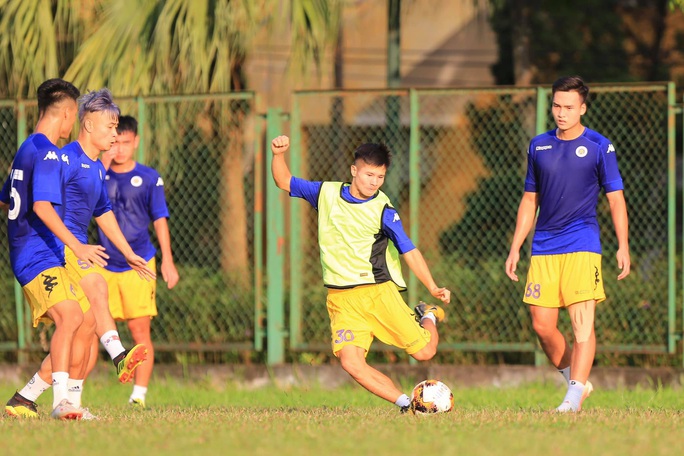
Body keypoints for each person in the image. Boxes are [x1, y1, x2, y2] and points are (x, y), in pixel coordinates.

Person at [270, 135, 451, 412]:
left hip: (377, 293)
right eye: (369, 174)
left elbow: (409, 250)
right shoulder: (326, 193)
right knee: (351, 363)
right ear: (354, 170)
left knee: (425, 352)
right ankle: (406, 404)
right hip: (341, 299)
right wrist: (278, 155)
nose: (374, 182)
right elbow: (284, 181)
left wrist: (432, 285)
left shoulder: (383, 211)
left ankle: (427, 313)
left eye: (380, 176)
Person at [5, 89, 156, 419]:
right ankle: (116, 356)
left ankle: (29, 398)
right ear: (85, 123)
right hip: (60, 249)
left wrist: (129, 253)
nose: (115, 134)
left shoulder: (97, 167)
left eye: (118, 128)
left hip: (65, 249)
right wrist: (71, 245)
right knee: (88, 302)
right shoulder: (62, 158)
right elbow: (42, 205)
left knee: (85, 337)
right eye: (110, 126)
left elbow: (103, 212)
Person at [505, 76, 631, 412]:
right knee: (542, 326)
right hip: (544, 245)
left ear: (583, 108)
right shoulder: (539, 146)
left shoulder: (599, 146)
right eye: (557, 106)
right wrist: (516, 246)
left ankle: (572, 400)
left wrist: (623, 245)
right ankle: (577, 382)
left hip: (582, 241)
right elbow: (530, 200)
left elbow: (616, 199)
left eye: (569, 107)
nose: (561, 113)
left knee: (581, 324)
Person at [0, 79, 107, 420]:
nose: (72, 125)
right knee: (71, 316)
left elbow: (5, 199)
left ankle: (27, 398)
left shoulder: (26, 148)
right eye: (73, 117)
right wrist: (78, 246)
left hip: (39, 251)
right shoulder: (46, 150)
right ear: (66, 113)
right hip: (35, 257)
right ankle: (62, 403)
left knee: (87, 320)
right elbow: (43, 207)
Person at [97, 115, 179, 408]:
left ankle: (138, 396)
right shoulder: (96, 173)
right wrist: (102, 165)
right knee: (90, 328)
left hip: (139, 263)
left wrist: (167, 260)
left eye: (126, 143)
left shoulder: (149, 177)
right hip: (102, 263)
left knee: (139, 331)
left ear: (137, 143)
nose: (119, 149)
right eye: (115, 142)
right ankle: (73, 393)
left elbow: (160, 219)